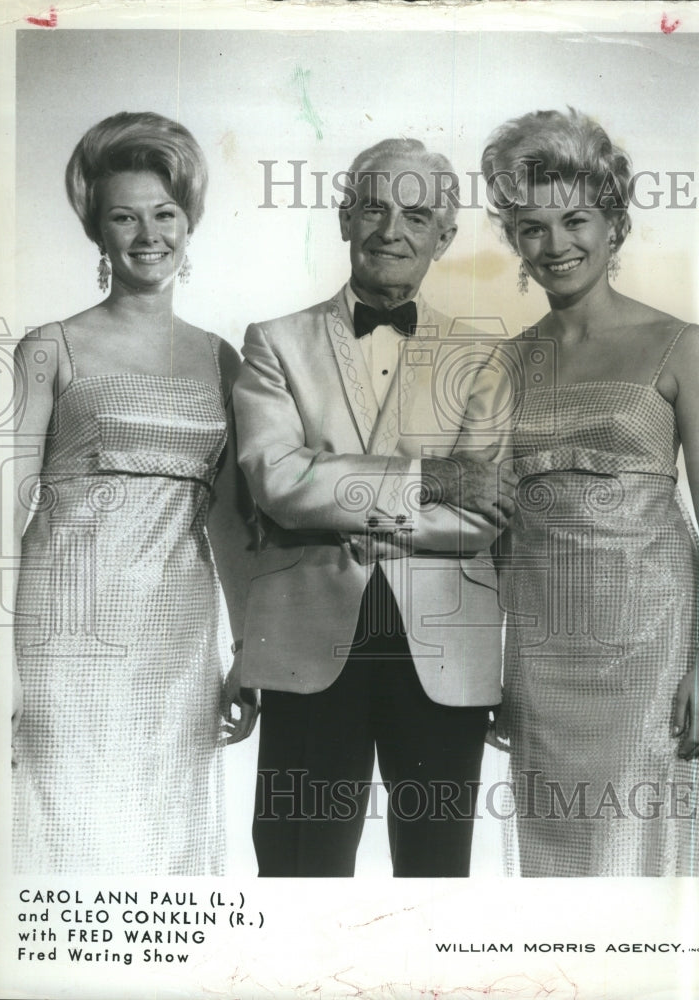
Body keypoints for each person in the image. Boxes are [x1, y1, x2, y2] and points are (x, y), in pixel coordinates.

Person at [225, 138, 518, 877]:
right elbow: (276, 484)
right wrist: (431, 478)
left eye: (416, 217)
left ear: (443, 238)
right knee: (298, 873)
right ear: (344, 219)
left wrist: (338, 500)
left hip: (445, 646)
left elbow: (483, 517)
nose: (392, 230)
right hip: (307, 641)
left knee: (437, 878)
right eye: (374, 209)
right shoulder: (274, 342)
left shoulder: (486, 356)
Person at [474, 108, 699, 876]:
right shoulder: (506, 364)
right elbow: (492, 533)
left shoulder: (682, 345)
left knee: (652, 867)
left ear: (614, 223)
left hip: (657, 653)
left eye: (575, 220)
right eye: (532, 229)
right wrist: (495, 669)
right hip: (545, 664)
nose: (555, 245)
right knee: (562, 880)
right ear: (514, 241)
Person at [12, 111, 255, 875]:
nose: (149, 235)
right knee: (66, 831)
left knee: (166, 836)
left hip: (178, 634)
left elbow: (230, 523)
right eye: (125, 217)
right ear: (98, 230)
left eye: (165, 214)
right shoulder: (50, 347)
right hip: (64, 631)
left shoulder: (221, 360)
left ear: (189, 223)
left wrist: (246, 653)